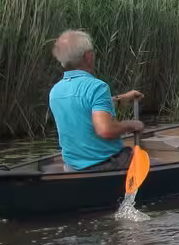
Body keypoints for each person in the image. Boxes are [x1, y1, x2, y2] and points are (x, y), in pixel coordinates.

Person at [48, 29, 144, 172]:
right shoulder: (97, 87)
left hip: (72, 167)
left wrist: (121, 99)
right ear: (88, 56)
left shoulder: (56, 91)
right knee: (153, 163)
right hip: (104, 164)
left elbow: (84, 106)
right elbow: (105, 130)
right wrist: (132, 125)